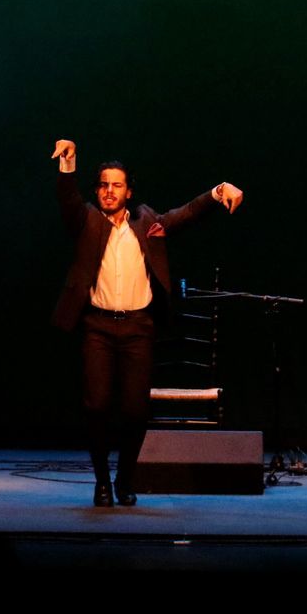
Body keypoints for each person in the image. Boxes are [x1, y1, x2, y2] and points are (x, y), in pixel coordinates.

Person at [50, 139, 243, 507]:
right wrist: (69, 164)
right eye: (104, 185)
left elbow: (186, 213)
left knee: (136, 410)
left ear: (129, 191)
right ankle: (102, 482)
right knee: (96, 406)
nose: (109, 191)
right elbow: (67, 199)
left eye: (116, 185)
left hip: (138, 327)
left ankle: (124, 481)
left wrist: (219, 191)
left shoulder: (147, 222)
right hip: (98, 326)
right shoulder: (87, 219)